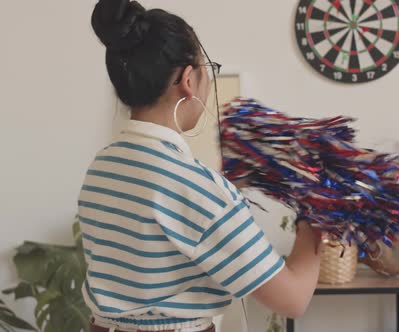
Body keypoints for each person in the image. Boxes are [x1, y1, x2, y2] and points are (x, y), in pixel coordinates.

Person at [81, 1, 321, 331]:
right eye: (209, 69)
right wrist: (317, 213)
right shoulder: (200, 189)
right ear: (188, 79)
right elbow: (293, 299)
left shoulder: (103, 167)